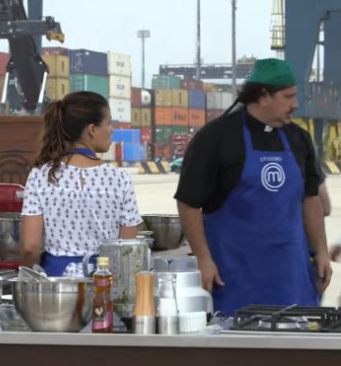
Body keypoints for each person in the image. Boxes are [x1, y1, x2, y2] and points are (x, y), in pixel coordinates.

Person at [175, 58, 333, 316]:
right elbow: (188, 202)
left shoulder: (299, 139)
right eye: (288, 96)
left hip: (291, 276)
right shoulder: (215, 138)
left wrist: (322, 252)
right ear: (263, 96)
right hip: (234, 276)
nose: (295, 104)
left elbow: (311, 200)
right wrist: (203, 258)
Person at [21, 91, 142, 277]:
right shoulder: (120, 179)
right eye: (109, 123)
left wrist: (30, 279)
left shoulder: (40, 175)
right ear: (92, 129)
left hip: (57, 286)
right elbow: (127, 249)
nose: (112, 130)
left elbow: (30, 247)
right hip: (104, 282)